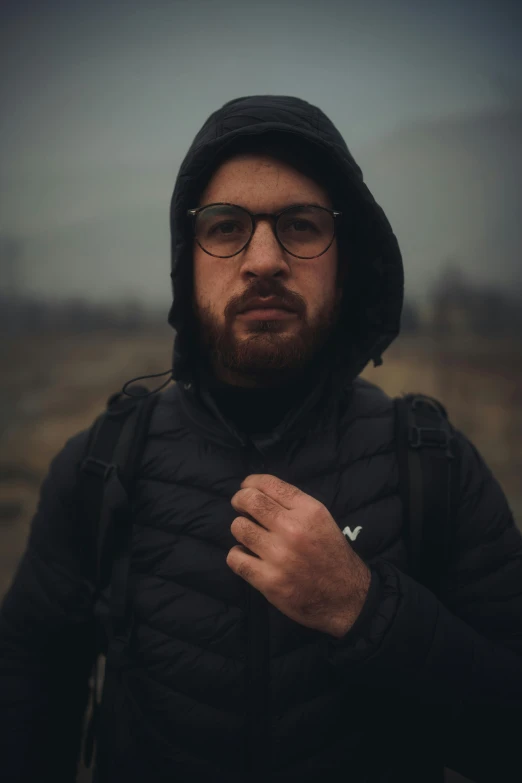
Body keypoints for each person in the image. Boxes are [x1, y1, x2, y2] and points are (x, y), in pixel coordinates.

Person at [1, 95, 521, 783]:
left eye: (301, 226)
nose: (265, 259)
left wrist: (364, 607)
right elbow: (27, 712)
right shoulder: (100, 469)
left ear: (347, 259)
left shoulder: (436, 466)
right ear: (187, 259)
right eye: (226, 227)